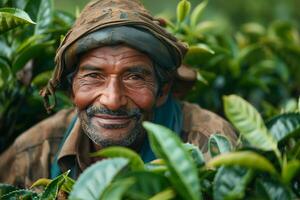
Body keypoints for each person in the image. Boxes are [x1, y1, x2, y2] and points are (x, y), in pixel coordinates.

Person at [0, 0, 236, 188]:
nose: (112, 100)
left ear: (162, 90)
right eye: (93, 76)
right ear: (72, 90)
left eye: (134, 77)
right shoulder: (34, 152)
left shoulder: (208, 142)